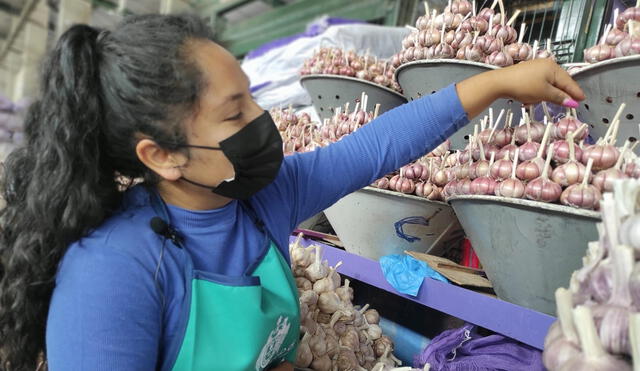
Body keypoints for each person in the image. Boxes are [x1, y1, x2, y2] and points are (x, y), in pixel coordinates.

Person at [0, 14, 583, 371]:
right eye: (236, 114)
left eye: (253, 97)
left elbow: (374, 148)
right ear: (163, 155)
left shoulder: (261, 199)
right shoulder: (113, 270)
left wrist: (496, 83)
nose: (265, 120)